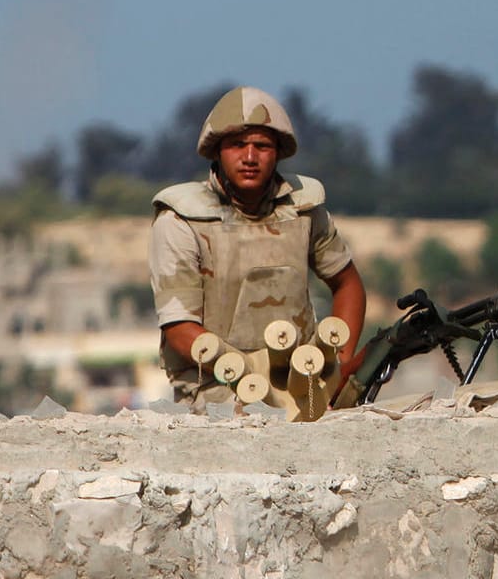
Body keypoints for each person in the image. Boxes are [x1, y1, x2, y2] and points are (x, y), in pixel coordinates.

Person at [149, 86, 366, 411]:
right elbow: (181, 330)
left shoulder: (303, 209)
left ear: (277, 152)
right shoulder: (181, 219)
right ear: (217, 151)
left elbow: (347, 284)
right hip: (215, 398)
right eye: (237, 145)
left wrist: (339, 364)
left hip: (304, 391)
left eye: (262, 146)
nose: (250, 157)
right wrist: (250, 376)